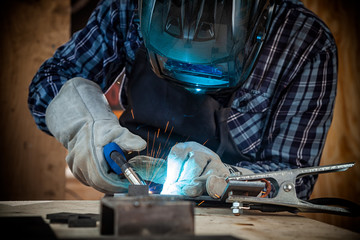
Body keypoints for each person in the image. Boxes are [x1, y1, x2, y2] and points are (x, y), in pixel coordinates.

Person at [28, 0, 337, 200]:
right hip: (132, 210)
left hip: (248, 224)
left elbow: (295, 181)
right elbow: (48, 82)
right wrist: (86, 125)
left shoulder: (304, 42)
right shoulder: (126, 8)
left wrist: (229, 180)